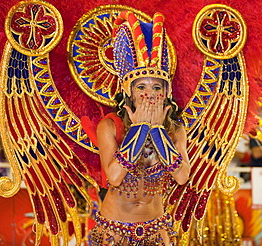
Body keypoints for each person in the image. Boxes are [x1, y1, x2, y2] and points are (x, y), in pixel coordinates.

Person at [88, 11, 190, 246]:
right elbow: (114, 177)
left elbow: (182, 176)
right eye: (142, 86)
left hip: (157, 229)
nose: (150, 94)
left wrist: (157, 132)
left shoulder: (175, 130)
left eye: (157, 87)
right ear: (129, 92)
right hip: (114, 231)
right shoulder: (110, 126)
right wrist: (139, 129)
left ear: (167, 93)